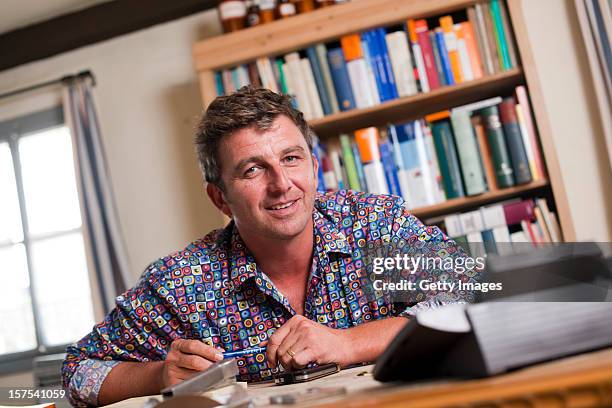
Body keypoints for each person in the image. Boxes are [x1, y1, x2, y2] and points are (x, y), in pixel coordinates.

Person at [62, 87, 477, 407]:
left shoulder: (374, 227)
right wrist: (159, 376)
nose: (282, 184)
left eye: (292, 158)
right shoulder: (180, 282)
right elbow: (79, 372)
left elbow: (475, 293)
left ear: (314, 166)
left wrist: (348, 343)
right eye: (253, 169)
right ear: (220, 198)